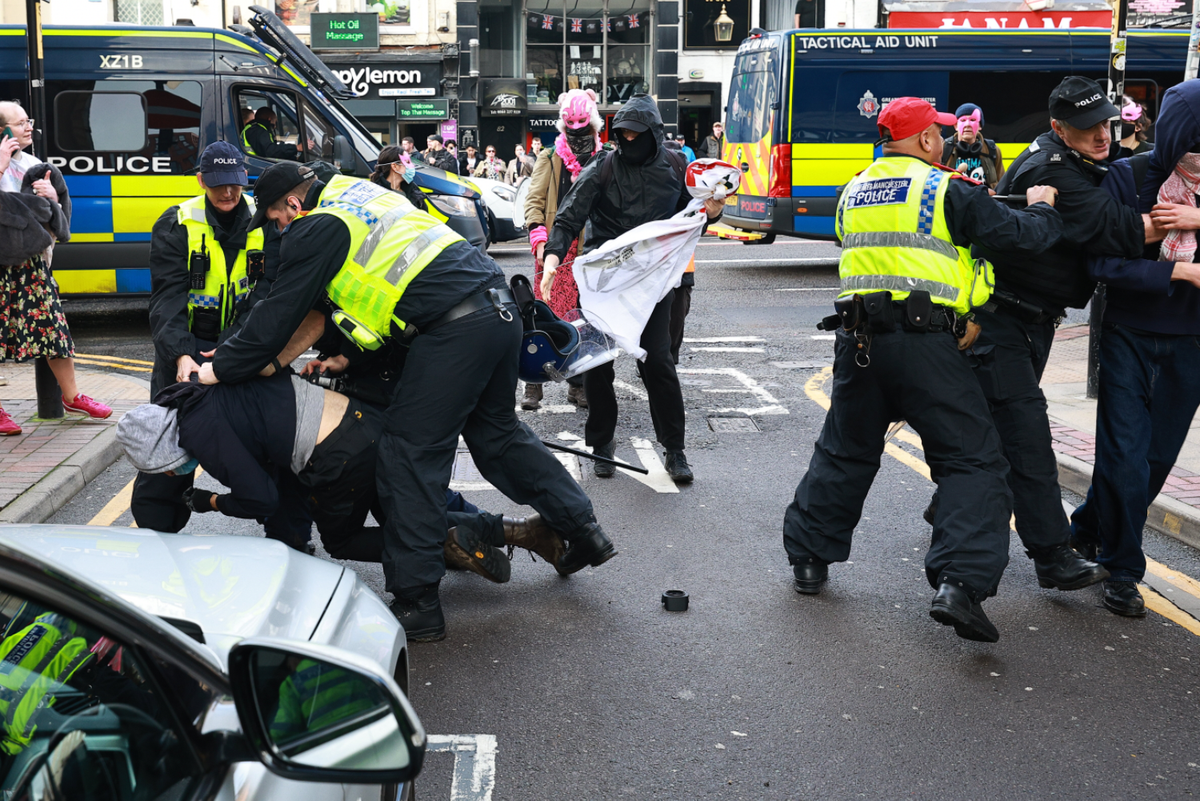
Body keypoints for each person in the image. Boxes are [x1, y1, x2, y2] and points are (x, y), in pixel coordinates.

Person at [196, 162, 616, 642]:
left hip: (453, 328)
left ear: (293, 203)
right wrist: (349, 358)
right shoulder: (360, 195)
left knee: (408, 455)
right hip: (497, 309)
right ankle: (583, 530)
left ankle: (418, 603)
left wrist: (222, 367)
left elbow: (280, 312)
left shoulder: (315, 225)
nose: (277, 228)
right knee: (498, 436)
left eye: (275, 217)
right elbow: (391, 286)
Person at [784, 97, 1065, 643]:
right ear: (926, 140)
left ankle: (809, 559)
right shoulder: (947, 188)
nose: (941, 139)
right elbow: (1024, 238)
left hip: (859, 342)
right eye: (936, 132)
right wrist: (1043, 205)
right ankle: (960, 583)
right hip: (927, 346)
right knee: (973, 461)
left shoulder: (853, 190)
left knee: (845, 451)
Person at [963, 76, 1157, 592]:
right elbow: (1122, 228)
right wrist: (1190, 216)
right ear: (1058, 127)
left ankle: (953, 505)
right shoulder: (1051, 172)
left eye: (1107, 124)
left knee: (1000, 438)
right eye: (1088, 128)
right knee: (1026, 440)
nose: (1102, 136)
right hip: (1003, 320)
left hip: (1027, 320)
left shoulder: (1072, 158)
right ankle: (1050, 556)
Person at [117, 373, 568, 580]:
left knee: (344, 540)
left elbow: (262, 499)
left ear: (164, 448)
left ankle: (443, 544)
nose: (174, 472)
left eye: (164, 466)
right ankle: (523, 531)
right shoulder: (201, 393)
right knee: (410, 509)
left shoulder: (202, 434)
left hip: (338, 456)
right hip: (363, 423)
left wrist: (211, 501)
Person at [540, 93, 724, 484]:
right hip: (605, 282)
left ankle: (675, 450)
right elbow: (569, 217)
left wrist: (713, 213)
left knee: (658, 362)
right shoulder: (603, 166)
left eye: (635, 134)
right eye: (622, 133)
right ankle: (601, 445)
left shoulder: (676, 166)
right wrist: (552, 259)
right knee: (598, 364)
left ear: (653, 133)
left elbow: (692, 218)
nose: (628, 140)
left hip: (653, 282)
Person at [134, 141, 311, 541]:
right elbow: (167, 298)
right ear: (201, 181)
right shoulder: (176, 223)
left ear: (244, 178)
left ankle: (290, 540)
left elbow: (268, 293)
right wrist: (181, 355)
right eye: (217, 184)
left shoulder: (268, 219)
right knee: (167, 444)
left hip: (246, 344)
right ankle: (155, 538)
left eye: (234, 182)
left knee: (273, 440)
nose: (227, 192)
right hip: (186, 347)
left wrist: (231, 353)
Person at [1069, 81, 1199, 617]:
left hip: (1192, 341)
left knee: (1156, 460)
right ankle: (1123, 570)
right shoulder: (1130, 176)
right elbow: (1101, 263)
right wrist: (1178, 271)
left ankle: (1086, 527)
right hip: (1130, 332)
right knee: (1124, 456)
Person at [0, 101, 111, 437]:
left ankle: (73, 397)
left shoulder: (35, 166)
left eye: (28, 121)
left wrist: (52, 199)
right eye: (21, 123)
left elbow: (60, 222)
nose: (29, 127)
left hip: (32, 264)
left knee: (53, 329)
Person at [522, 89, 603, 412]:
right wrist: (539, 239)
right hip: (554, 250)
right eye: (572, 130)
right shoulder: (549, 157)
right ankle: (533, 382)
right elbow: (534, 201)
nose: (578, 137)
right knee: (543, 317)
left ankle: (577, 384)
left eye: (584, 130)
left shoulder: (604, 158)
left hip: (588, 251)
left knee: (582, 320)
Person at [941, 103, 1005, 189]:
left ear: (980, 126)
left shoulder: (992, 149)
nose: (967, 124)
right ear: (956, 126)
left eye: (973, 120)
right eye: (963, 120)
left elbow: (1001, 183)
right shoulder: (944, 148)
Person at [370, 144, 434, 214]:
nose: (411, 166)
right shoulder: (376, 195)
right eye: (407, 162)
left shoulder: (413, 190)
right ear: (394, 166)